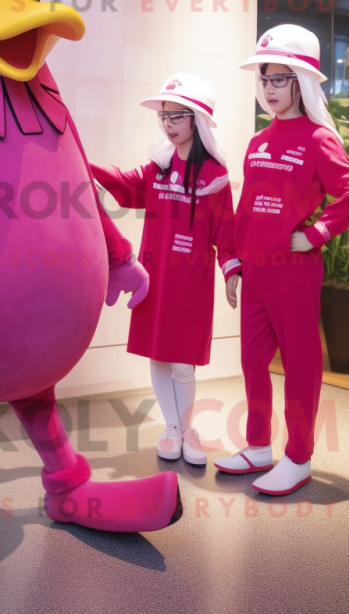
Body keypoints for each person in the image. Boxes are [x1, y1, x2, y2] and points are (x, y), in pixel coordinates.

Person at [215, 24, 349, 495]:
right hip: (257, 272)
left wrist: (318, 232)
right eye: (264, 79)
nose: (269, 88)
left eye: (279, 79)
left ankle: (298, 457)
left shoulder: (318, 138)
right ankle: (258, 446)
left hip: (294, 274)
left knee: (300, 363)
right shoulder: (260, 141)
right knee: (251, 361)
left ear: (301, 80)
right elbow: (248, 207)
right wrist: (235, 262)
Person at [91, 74, 241, 466]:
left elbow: (227, 232)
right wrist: (83, 163)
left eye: (176, 117)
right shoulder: (157, 168)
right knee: (158, 355)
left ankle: (187, 427)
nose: (168, 124)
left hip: (189, 283)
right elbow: (124, 184)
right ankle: (173, 429)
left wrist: (231, 271)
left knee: (182, 360)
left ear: (197, 120)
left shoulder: (215, 177)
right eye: (164, 117)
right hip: (154, 277)